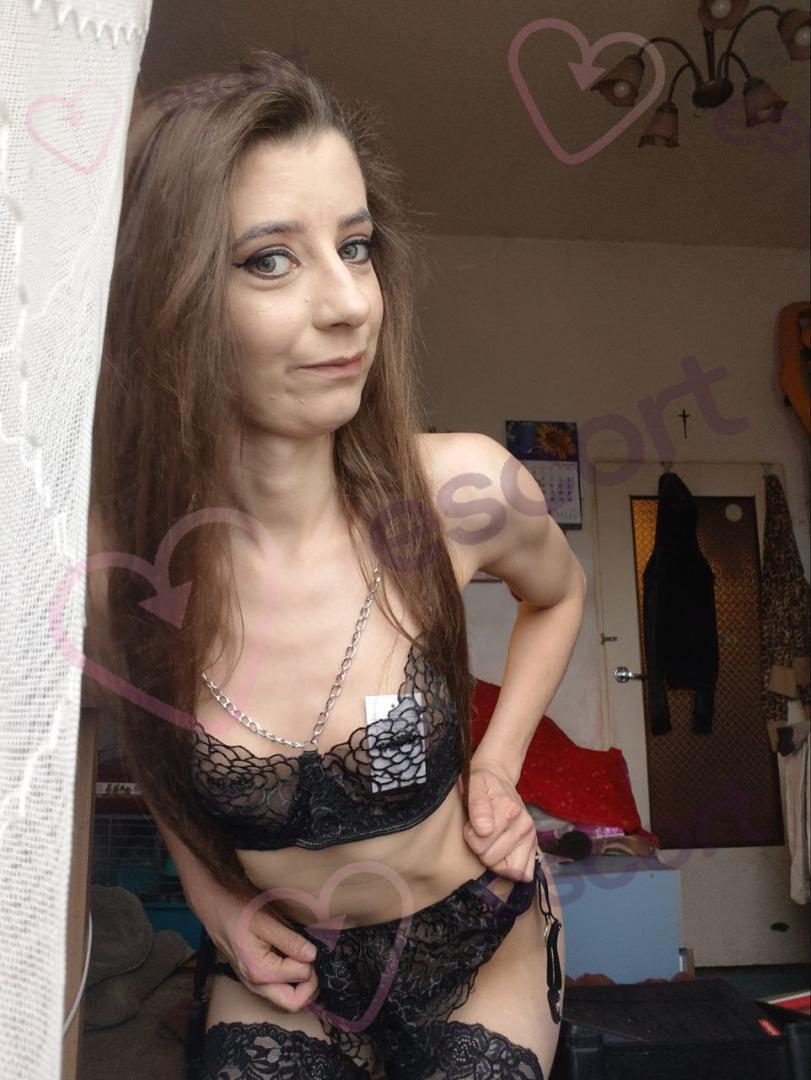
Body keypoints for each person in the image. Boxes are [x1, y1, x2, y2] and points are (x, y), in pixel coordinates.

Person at [86, 48, 586, 1079]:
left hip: (471, 939)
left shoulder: (462, 492)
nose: (351, 303)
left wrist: (496, 764)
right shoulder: (119, 565)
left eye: (355, 247)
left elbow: (561, 595)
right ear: (163, 297)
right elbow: (135, 729)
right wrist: (210, 896)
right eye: (270, 259)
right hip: (285, 967)